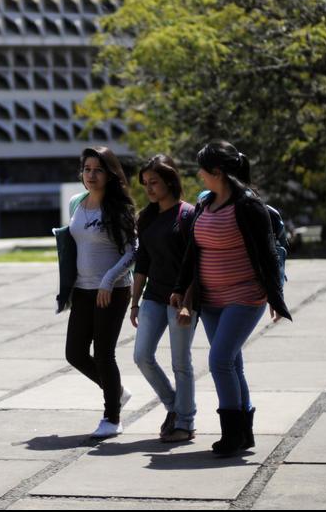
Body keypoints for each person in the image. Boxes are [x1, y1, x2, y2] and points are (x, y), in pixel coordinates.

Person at [171, 141, 292, 457]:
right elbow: (192, 252)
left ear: (219, 172)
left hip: (245, 295)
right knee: (232, 362)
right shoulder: (204, 203)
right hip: (210, 298)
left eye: (203, 169)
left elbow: (267, 253)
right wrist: (180, 289)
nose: (198, 174)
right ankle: (244, 433)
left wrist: (275, 298)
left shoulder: (249, 206)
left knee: (219, 360)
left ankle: (231, 434)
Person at [64, 146, 138, 439]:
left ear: (110, 174)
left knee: (104, 354)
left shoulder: (118, 208)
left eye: (98, 169)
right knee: (75, 353)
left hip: (112, 290)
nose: (91, 175)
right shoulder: (76, 203)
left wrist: (108, 280)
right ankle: (117, 391)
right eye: (87, 169)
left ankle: (112, 417)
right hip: (82, 290)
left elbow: (134, 251)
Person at [131, 155, 198, 442]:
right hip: (153, 297)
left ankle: (184, 423)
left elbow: (197, 263)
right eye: (145, 183)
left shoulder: (188, 215)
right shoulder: (146, 218)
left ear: (170, 180)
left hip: (181, 299)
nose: (149, 188)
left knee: (180, 362)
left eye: (154, 182)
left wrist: (186, 302)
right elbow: (141, 263)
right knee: (142, 356)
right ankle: (175, 406)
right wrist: (134, 302)